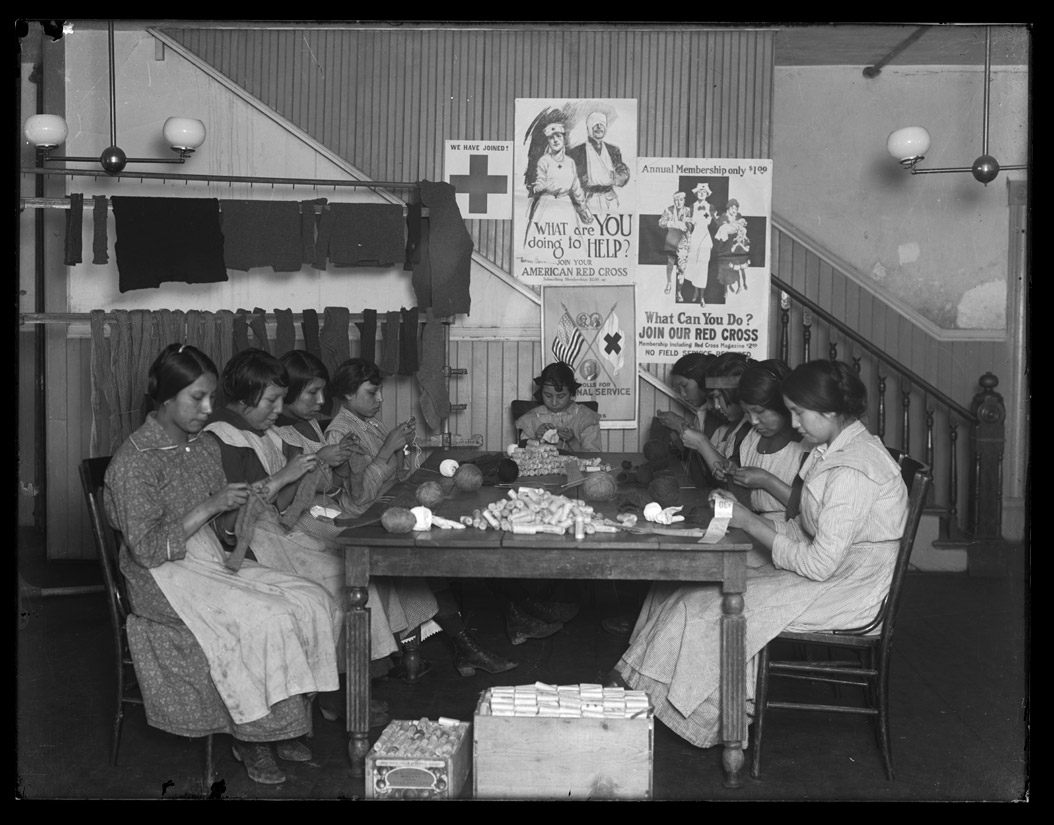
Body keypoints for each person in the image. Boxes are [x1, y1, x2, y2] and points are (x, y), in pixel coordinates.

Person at [611, 359, 909, 750]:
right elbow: (811, 523)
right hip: (836, 567)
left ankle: (675, 708)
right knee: (693, 583)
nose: (795, 422)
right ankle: (639, 691)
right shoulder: (838, 446)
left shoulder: (853, 469)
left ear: (831, 412)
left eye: (799, 412)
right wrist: (747, 517)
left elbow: (820, 564)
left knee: (713, 604)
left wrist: (751, 524)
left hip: (850, 588)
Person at [103, 343, 343, 785]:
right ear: (166, 396)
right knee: (266, 617)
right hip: (161, 577)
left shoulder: (201, 448)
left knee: (312, 599)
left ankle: (283, 722)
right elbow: (148, 549)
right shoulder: (133, 461)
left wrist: (252, 500)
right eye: (197, 398)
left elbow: (230, 528)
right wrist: (212, 505)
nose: (208, 408)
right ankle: (253, 739)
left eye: (212, 397)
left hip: (209, 560)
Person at [203, 348, 437, 717]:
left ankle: (349, 682)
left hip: (278, 527)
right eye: (272, 400)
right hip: (254, 542)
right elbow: (240, 519)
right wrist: (297, 474)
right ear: (247, 395)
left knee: (352, 570)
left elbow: (287, 497)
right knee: (342, 578)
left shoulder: (258, 430)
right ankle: (335, 692)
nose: (278, 410)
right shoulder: (224, 436)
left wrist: (317, 470)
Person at [324, 357, 519, 677]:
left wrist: (404, 451)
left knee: (456, 529)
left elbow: (394, 476)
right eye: (372, 393)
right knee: (427, 559)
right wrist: (387, 450)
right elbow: (359, 496)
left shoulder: (368, 422)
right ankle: (464, 644)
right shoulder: (340, 433)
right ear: (347, 394)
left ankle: (486, 629)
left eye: (380, 392)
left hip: (389, 504)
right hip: (366, 518)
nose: (381, 399)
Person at [514, 361, 602, 453]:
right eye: (548, 396)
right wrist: (537, 440)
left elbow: (594, 457)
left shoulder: (586, 418)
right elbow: (522, 455)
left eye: (561, 396)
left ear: (571, 393)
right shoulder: (530, 420)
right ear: (541, 393)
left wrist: (572, 442)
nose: (554, 402)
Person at [525, 121, 592, 234]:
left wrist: (584, 208)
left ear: (564, 139)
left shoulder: (570, 162)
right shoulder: (544, 161)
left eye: (558, 136)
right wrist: (538, 186)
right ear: (548, 141)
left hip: (566, 205)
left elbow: (576, 188)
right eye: (551, 138)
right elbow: (540, 180)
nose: (555, 140)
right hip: (547, 205)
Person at [567, 110, 631, 214]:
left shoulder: (613, 150)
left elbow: (623, 175)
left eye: (602, 124)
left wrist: (611, 178)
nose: (599, 127)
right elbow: (573, 180)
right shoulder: (577, 152)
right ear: (588, 128)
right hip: (587, 200)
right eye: (595, 124)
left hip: (609, 199)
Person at [676, 182, 716, 305]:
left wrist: (706, 214)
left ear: (707, 194)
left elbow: (709, 221)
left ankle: (702, 297)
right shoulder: (691, 207)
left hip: (704, 239)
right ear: (696, 193)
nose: (702, 194)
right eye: (700, 192)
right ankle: (694, 292)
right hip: (694, 238)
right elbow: (689, 222)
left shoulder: (709, 207)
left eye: (704, 192)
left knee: (703, 268)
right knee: (693, 266)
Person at [658, 191, 691, 295]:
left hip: (683, 241)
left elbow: (689, 226)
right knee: (670, 262)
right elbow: (661, 223)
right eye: (676, 200)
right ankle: (669, 283)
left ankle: (679, 291)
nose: (679, 202)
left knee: (682, 268)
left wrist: (689, 240)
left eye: (681, 200)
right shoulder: (669, 210)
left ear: (684, 200)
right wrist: (674, 224)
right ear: (674, 201)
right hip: (671, 240)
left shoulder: (687, 210)